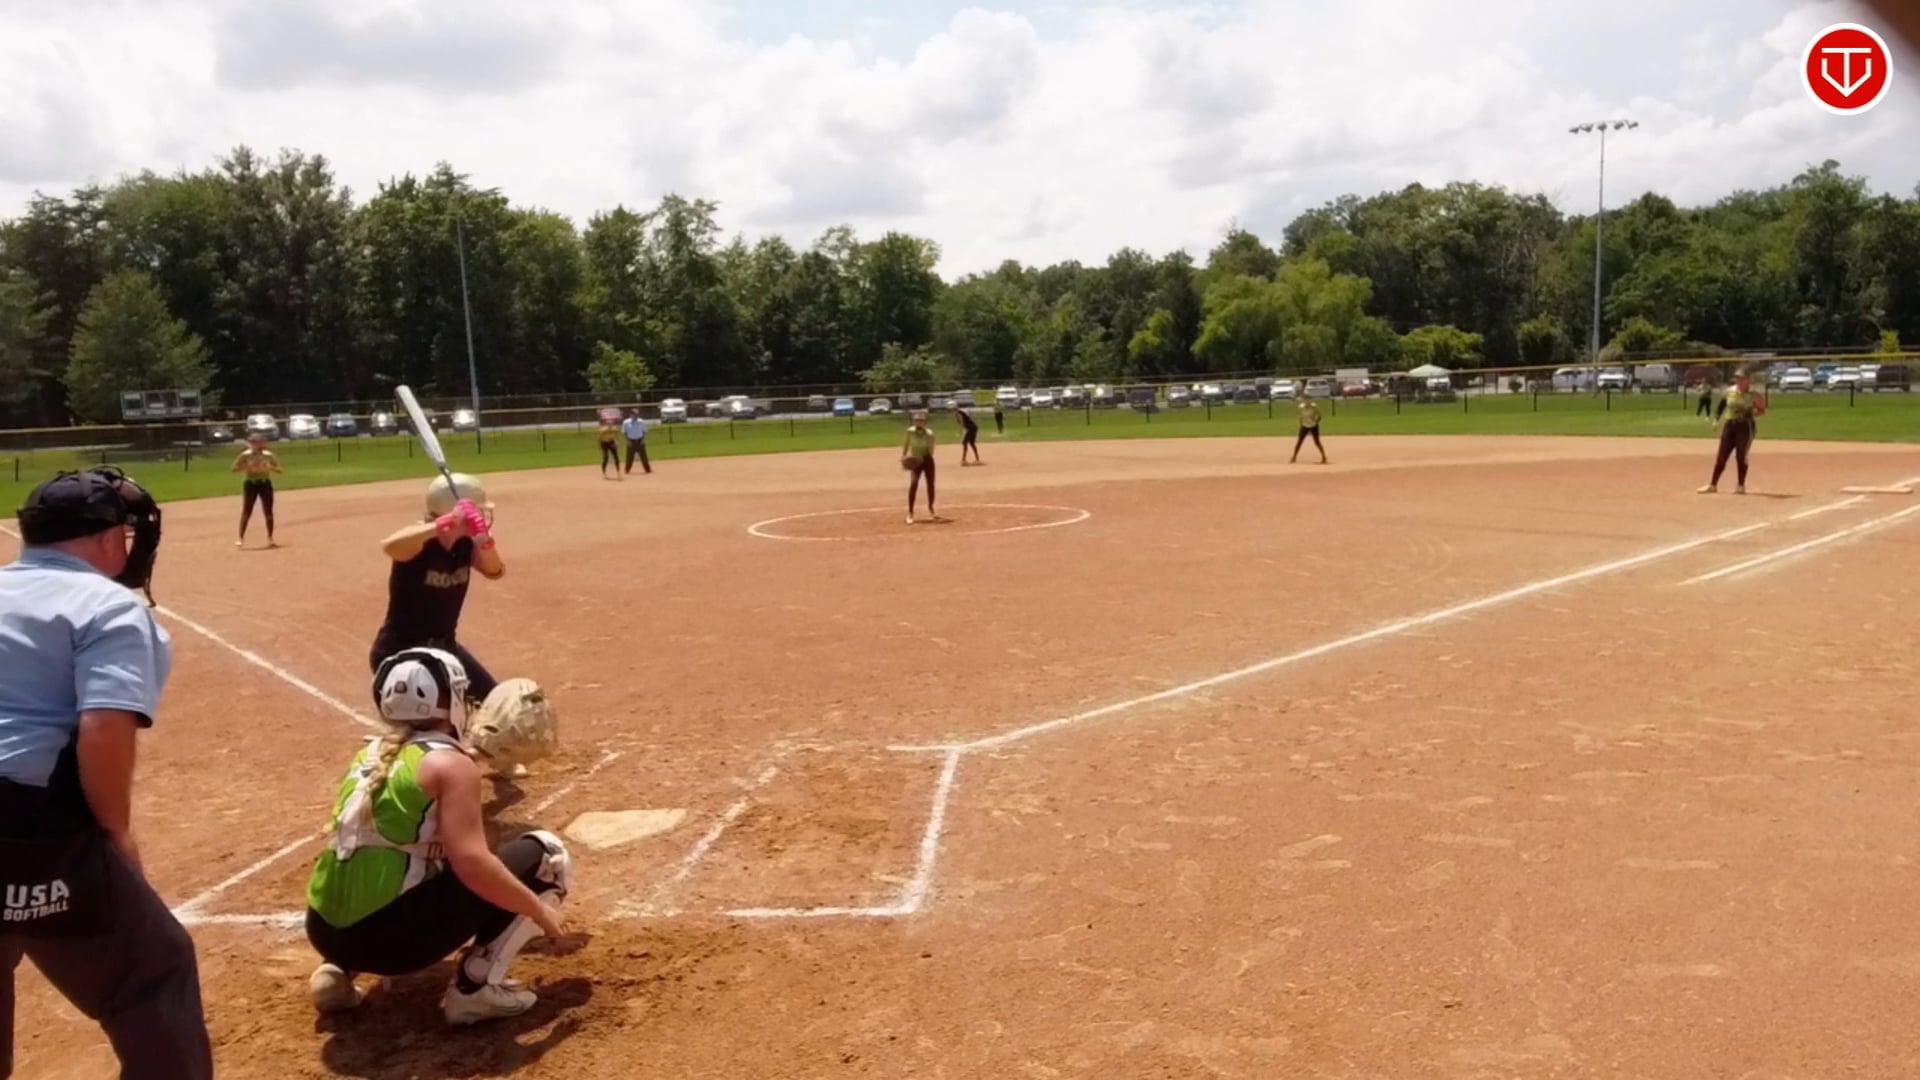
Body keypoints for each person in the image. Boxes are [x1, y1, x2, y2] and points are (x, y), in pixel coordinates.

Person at [0, 467, 213, 1078]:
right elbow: (103, 725)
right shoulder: (108, 607)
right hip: (28, 824)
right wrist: (115, 833)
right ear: (106, 538)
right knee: (152, 974)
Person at [303, 647, 570, 1025]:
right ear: (454, 702)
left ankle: (337, 972)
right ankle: (475, 991)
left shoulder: (369, 755)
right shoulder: (452, 766)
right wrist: (539, 911)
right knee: (546, 855)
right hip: (392, 948)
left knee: (392, 851)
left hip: (323, 932)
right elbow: (473, 864)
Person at [369, 474, 504, 707]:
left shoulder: (466, 544)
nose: (481, 516)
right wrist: (441, 525)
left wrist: (485, 541)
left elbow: (495, 571)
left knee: (496, 704)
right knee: (439, 716)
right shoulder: (419, 541)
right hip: (401, 652)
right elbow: (390, 546)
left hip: (444, 648)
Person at [1699, 372, 1765, 495]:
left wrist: (1754, 412)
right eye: (1737, 378)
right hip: (1729, 426)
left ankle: (1740, 485)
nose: (1739, 381)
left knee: (1741, 456)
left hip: (1745, 426)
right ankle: (1712, 485)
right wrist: (1716, 420)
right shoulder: (1730, 391)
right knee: (1722, 455)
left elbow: (1762, 410)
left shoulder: (1754, 395)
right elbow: (1721, 406)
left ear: (1748, 380)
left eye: (1742, 379)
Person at [231, 433, 283, 548]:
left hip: (264, 483)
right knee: (247, 510)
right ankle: (240, 538)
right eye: (253, 442)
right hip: (250, 484)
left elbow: (280, 470)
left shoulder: (268, 455)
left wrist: (270, 467)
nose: (256, 444)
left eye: (258, 442)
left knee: (268, 511)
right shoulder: (245, 455)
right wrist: (246, 467)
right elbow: (234, 469)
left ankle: (270, 538)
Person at [901, 411, 941, 524]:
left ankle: (931, 508)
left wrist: (923, 459)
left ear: (925, 422)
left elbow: (931, 451)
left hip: (927, 460)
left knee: (930, 484)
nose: (919, 422)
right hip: (915, 460)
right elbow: (906, 444)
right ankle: (910, 512)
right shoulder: (910, 432)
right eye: (917, 420)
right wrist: (904, 456)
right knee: (913, 484)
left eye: (921, 421)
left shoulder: (930, 434)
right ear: (914, 422)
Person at [1290, 396, 1327, 465]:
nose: (1307, 401)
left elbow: (1319, 416)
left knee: (1317, 442)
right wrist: (1300, 422)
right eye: (1305, 400)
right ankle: (1294, 457)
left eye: (1308, 400)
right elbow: (1301, 416)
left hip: (1313, 425)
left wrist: (1316, 421)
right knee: (1299, 442)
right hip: (1304, 426)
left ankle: (1324, 457)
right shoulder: (1301, 407)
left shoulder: (1313, 407)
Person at [621, 409, 652, 476]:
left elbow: (644, 431)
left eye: (637, 415)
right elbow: (624, 433)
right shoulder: (626, 422)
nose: (636, 416)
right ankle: (627, 469)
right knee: (629, 457)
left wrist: (643, 440)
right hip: (631, 441)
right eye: (635, 415)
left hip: (640, 441)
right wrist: (628, 441)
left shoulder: (641, 421)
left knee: (643, 456)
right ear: (631, 414)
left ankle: (647, 469)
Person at [595, 414, 619, 480]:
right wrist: (599, 445)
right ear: (606, 424)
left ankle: (618, 472)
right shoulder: (603, 430)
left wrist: (616, 441)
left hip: (611, 442)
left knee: (616, 457)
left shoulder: (614, 429)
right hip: (604, 443)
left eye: (611, 424)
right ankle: (604, 473)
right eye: (608, 424)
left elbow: (615, 436)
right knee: (606, 457)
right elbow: (599, 438)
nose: (610, 425)